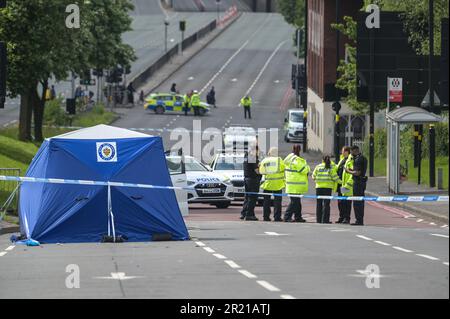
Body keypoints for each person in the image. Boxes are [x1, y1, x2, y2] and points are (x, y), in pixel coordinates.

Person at [283, 144, 310, 222]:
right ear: (299, 150)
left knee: (297, 202)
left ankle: (298, 217)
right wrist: (307, 167)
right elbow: (303, 170)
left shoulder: (290, 158)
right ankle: (287, 217)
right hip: (295, 185)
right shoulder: (296, 160)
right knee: (294, 202)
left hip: (292, 185)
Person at [312, 155, 341, 224]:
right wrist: (342, 182)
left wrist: (318, 181)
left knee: (319, 204)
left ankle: (318, 220)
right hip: (327, 188)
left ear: (322, 160)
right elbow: (335, 178)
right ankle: (325, 220)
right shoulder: (330, 168)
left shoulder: (318, 167)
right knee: (326, 204)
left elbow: (313, 176)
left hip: (318, 188)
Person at [259, 147, 285, 222]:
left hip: (268, 184)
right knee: (277, 202)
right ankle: (277, 217)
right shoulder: (279, 160)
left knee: (266, 201)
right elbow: (283, 169)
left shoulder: (265, 160)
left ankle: (266, 217)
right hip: (278, 184)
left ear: (269, 153)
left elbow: (261, 172)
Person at [345, 145, 368, 226]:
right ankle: (360, 219)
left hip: (358, 183)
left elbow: (357, 173)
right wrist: (352, 170)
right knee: (360, 202)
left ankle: (359, 220)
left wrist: (348, 171)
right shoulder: (363, 158)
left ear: (354, 150)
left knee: (357, 202)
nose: (351, 154)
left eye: (351, 152)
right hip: (362, 182)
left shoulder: (358, 159)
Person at [240, 143, 261, 221]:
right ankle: (250, 215)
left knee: (247, 197)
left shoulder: (246, 156)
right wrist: (262, 171)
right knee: (252, 198)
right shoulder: (252, 157)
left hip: (247, 179)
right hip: (253, 179)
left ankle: (244, 213)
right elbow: (257, 171)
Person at [335, 146, 352, 224]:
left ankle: (346, 218)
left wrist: (347, 184)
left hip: (345, 185)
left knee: (346, 202)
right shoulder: (342, 159)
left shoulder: (350, 160)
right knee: (340, 202)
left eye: (343, 151)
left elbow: (351, 173)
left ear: (347, 152)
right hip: (340, 184)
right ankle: (341, 217)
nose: (342, 152)